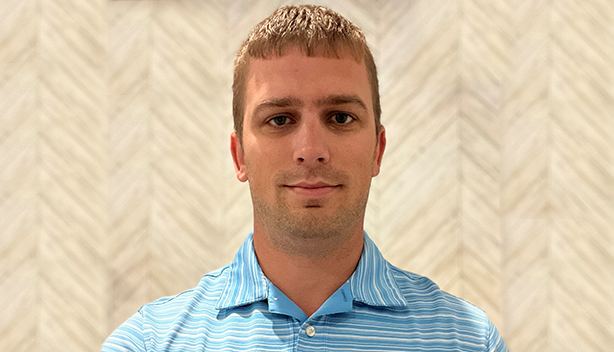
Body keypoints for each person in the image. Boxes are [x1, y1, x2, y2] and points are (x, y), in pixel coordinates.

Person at [103, 5, 508, 351]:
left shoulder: (467, 341)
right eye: (279, 119)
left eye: (340, 117)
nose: (311, 148)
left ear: (377, 150)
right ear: (239, 154)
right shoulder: (149, 342)